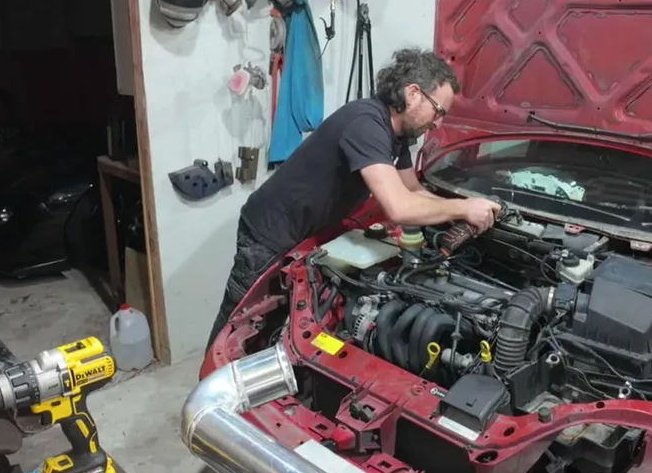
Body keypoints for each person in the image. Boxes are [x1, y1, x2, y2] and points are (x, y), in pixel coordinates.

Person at [206, 48, 503, 350]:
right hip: (268, 235)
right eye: (438, 111)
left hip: (302, 238)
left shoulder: (397, 135)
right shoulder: (366, 123)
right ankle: (212, 379)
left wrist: (458, 218)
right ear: (413, 93)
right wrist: (464, 207)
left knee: (277, 327)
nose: (438, 123)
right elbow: (399, 206)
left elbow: (412, 190)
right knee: (237, 332)